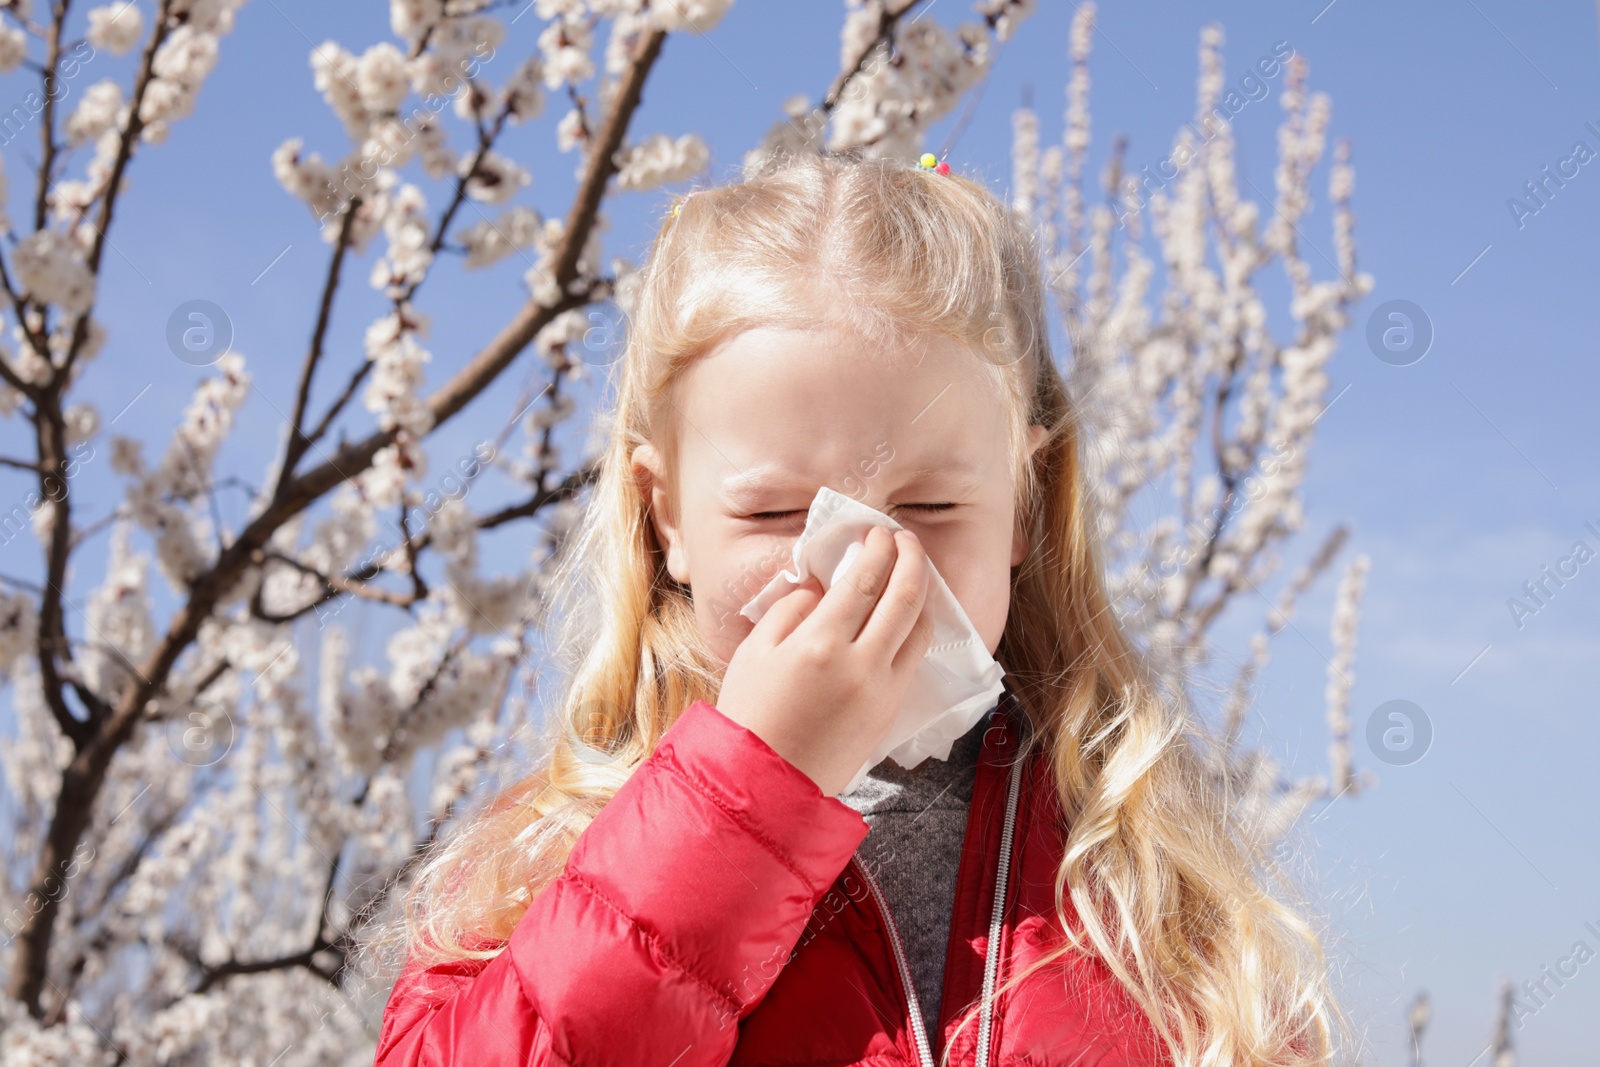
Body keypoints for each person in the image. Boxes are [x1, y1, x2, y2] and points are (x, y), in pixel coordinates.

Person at [367, 148, 1346, 1066]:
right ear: (665, 514)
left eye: (931, 507)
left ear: (1023, 502)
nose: (860, 567)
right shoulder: (557, 853)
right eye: (773, 509)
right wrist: (744, 797)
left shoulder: (1140, 869)